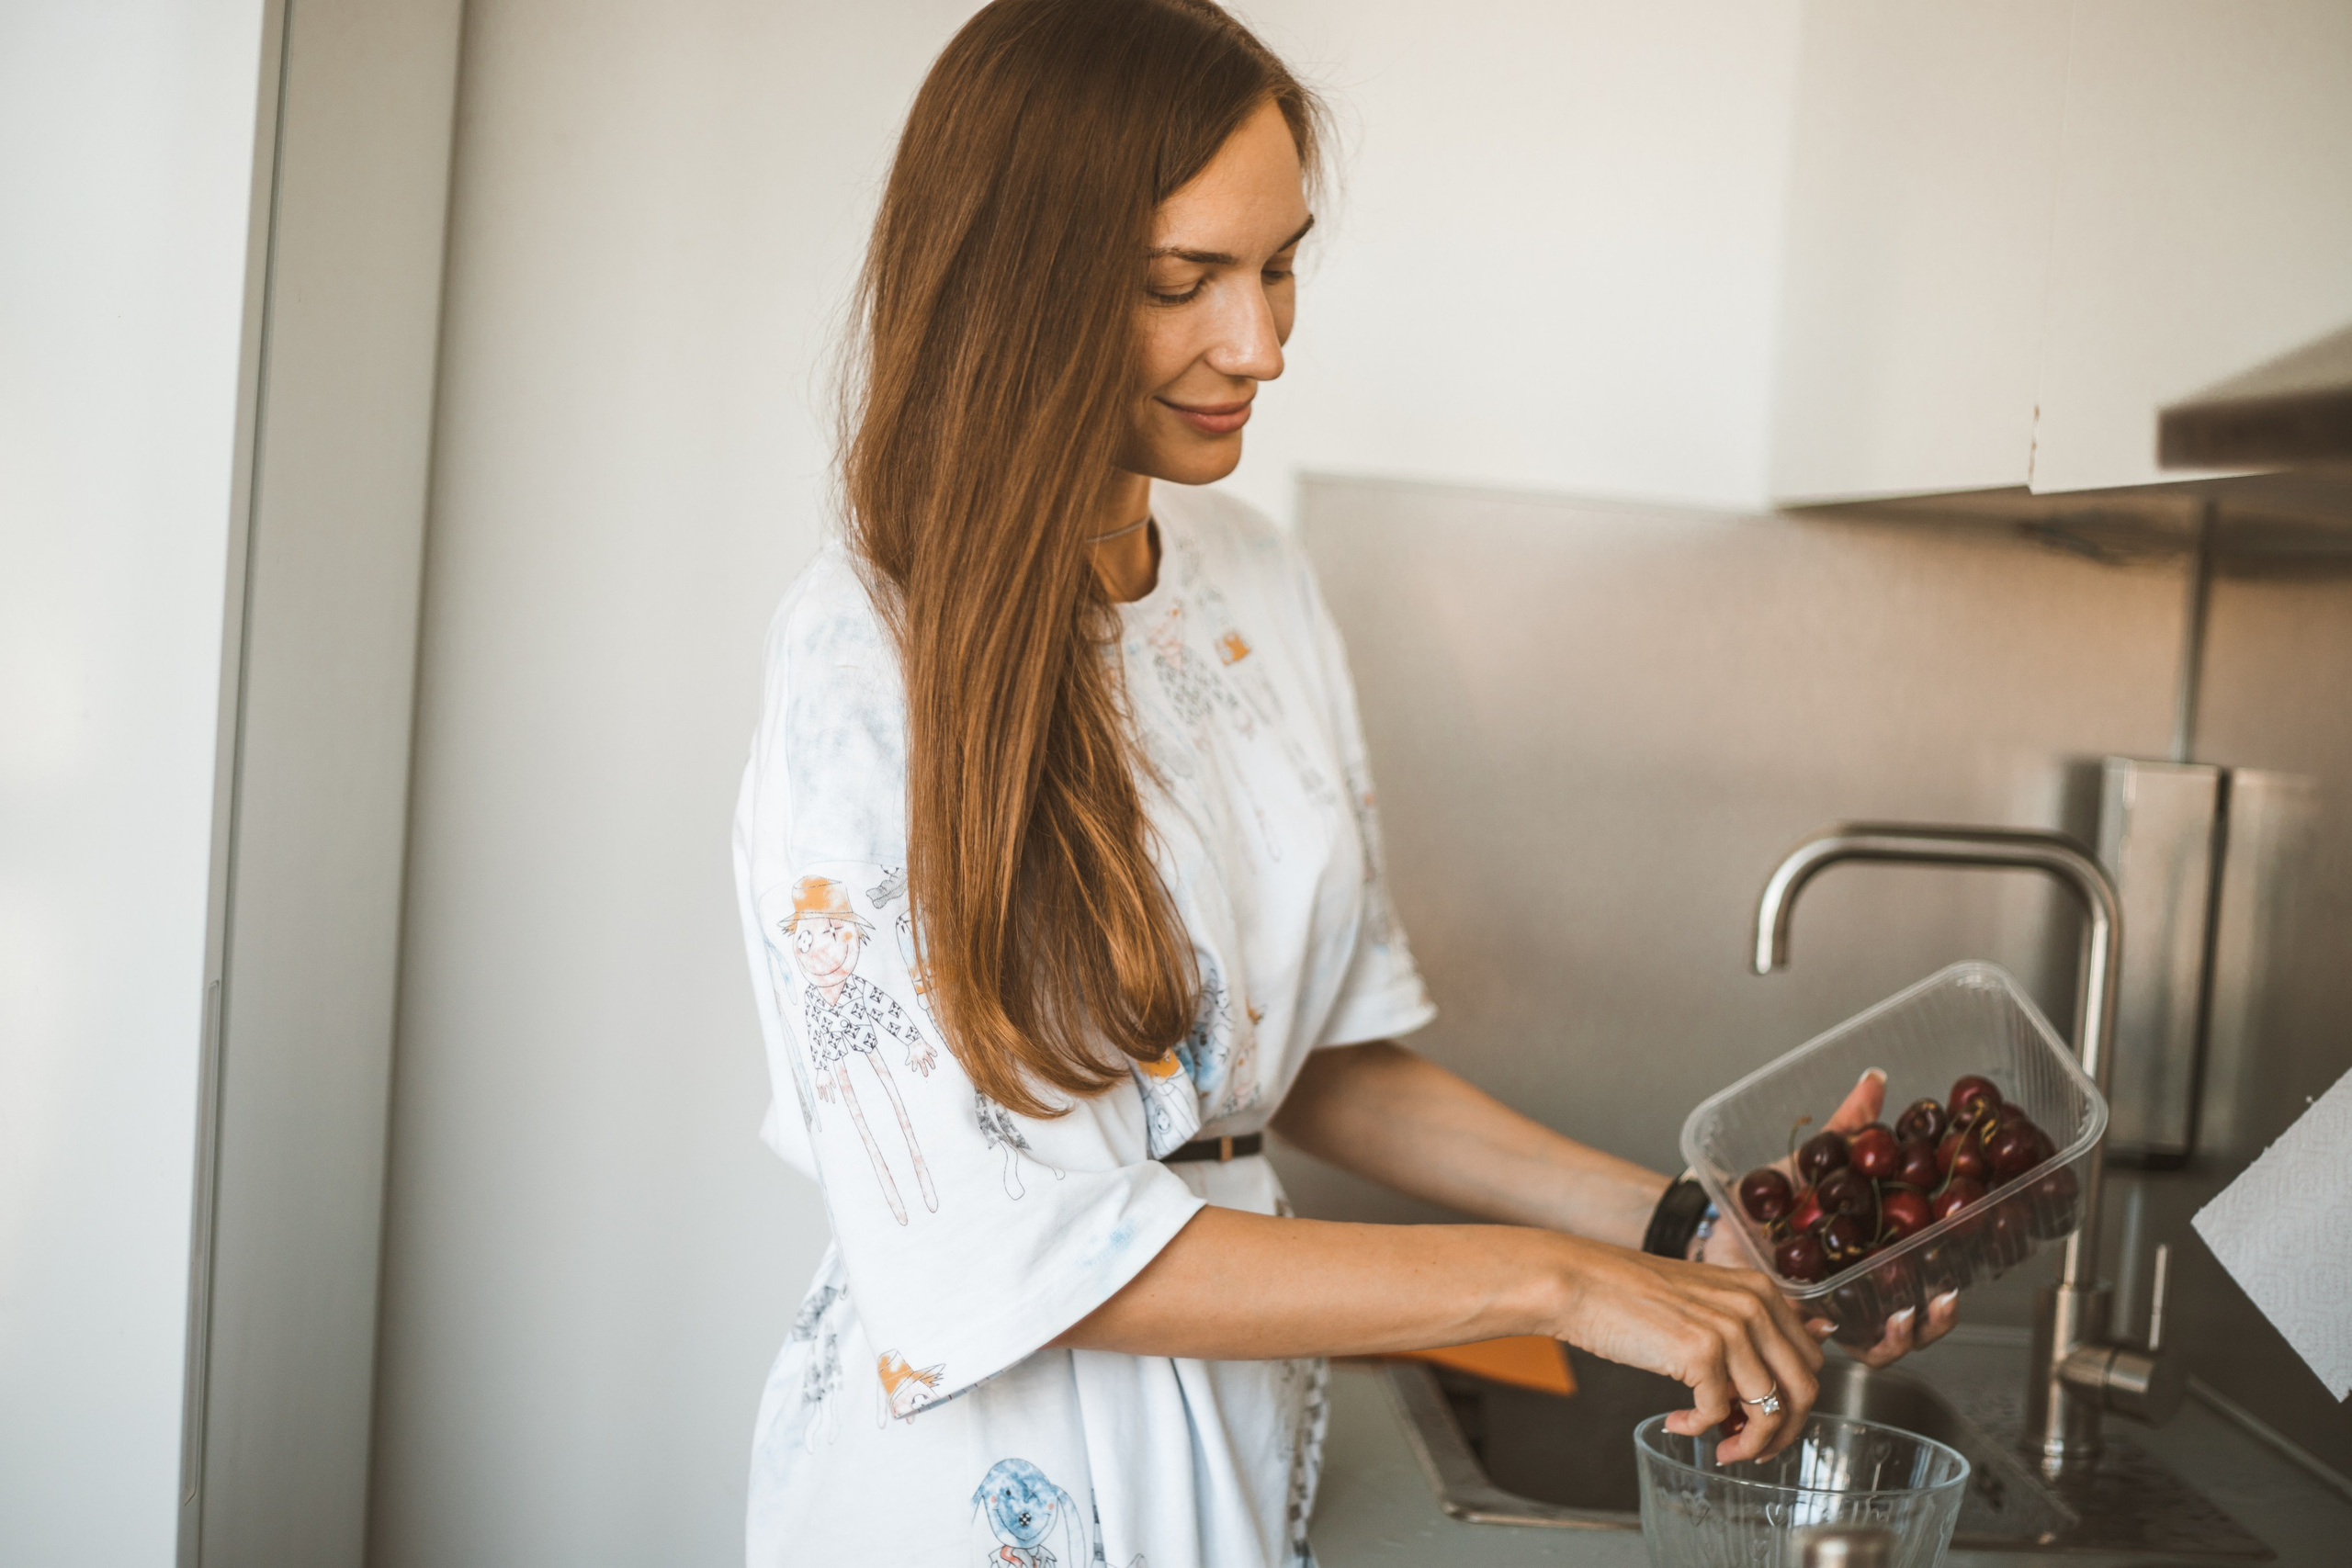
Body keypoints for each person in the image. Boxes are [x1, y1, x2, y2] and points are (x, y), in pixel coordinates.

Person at [730, 4, 1954, 1563]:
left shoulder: (1258, 584)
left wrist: (1689, 1230)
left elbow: (1304, 1069)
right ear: (1022, 284)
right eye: (1185, 282)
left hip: (1243, 1439)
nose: (1264, 344)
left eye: (1280, 263)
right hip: (982, 1487)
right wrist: (1558, 1284)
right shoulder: (867, 657)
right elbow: (985, 1252)